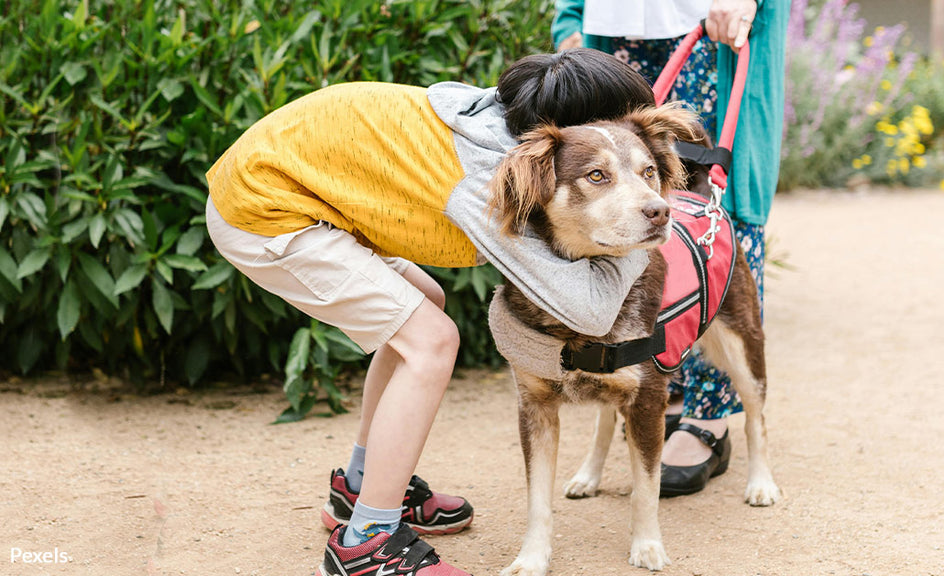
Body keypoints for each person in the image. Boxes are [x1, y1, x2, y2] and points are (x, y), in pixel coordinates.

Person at [204, 49, 658, 576]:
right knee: (432, 340)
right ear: (565, 127)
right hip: (264, 210)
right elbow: (590, 310)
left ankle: (360, 487)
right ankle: (368, 543)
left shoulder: (495, 119)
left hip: (291, 193)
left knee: (426, 308)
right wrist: (649, 229)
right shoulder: (490, 177)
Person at [552, 0, 790, 497]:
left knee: (714, 231)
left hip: (715, 27)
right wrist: (572, 19)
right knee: (624, 231)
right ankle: (666, 397)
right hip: (616, 39)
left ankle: (710, 416)